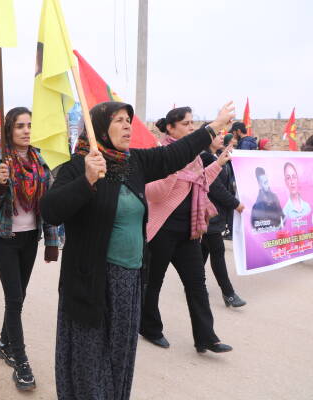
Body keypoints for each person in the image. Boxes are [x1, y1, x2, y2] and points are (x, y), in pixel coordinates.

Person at [40, 101, 235, 400]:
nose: (127, 126)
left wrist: (213, 127)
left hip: (128, 281)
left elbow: (175, 154)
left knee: (120, 354)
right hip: (92, 280)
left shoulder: (133, 163)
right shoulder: (79, 166)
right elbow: (51, 211)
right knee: (90, 356)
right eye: (118, 120)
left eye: (128, 120)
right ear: (99, 129)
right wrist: (87, 180)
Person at [141, 106, 233, 355]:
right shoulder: (159, 155)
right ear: (170, 128)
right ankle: (150, 328)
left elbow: (200, 182)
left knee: (197, 284)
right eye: (185, 124)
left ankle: (206, 337)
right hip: (161, 231)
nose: (191, 127)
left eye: (192, 123)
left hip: (189, 232)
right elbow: (152, 193)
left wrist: (219, 163)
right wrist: (170, 171)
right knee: (153, 283)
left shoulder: (196, 158)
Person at [0, 107, 59, 391]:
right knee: (14, 299)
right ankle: (21, 361)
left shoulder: (41, 161)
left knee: (20, 296)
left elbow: (47, 205)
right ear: (9, 130)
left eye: (29, 125)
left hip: (30, 238)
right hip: (4, 237)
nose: (26, 131)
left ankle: (4, 343)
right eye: (19, 126)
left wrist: (51, 242)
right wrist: (0, 185)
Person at [200, 129, 247, 308]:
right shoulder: (205, 158)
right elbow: (215, 188)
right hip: (209, 213)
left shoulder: (216, 156)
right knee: (218, 252)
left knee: (204, 251)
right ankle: (228, 293)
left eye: (222, 135)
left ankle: (195, 283)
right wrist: (235, 204)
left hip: (217, 213)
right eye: (217, 135)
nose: (222, 138)